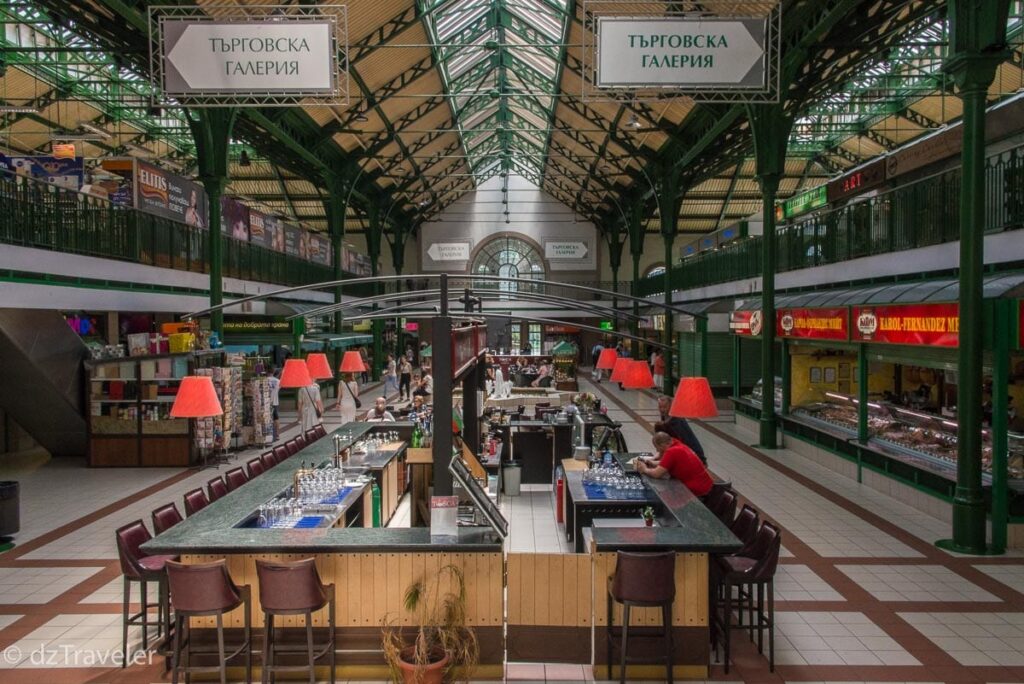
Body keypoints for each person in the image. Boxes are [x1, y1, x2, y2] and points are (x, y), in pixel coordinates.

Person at [636, 432, 713, 497]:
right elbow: (669, 463)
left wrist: (645, 469)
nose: (657, 450)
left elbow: (657, 474)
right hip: (706, 484)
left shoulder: (672, 451)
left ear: (662, 445)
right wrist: (652, 462)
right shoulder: (676, 443)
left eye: (657, 447)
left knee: (664, 498)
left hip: (697, 489)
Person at [654, 394, 706, 464]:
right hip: (686, 453)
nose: (662, 410)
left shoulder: (675, 420)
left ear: (671, 406)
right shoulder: (666, 417)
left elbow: (679, 442)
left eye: (665, 407)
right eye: (660, 407)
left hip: (695, 456)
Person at [267, 366, 281, 441]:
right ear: (273, 372)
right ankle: (278, 434)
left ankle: (269, 434)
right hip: (275, 402)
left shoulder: (265, 380)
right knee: (276, 419)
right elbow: (279, 389)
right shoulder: (278, 381)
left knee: (267, 419)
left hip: (266, 403)